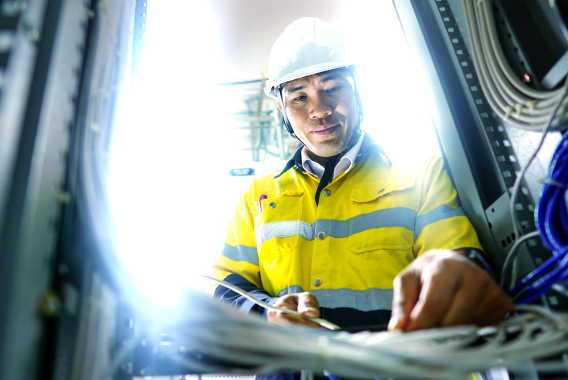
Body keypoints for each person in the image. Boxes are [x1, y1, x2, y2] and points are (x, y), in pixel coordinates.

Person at [211, 17, 512, 333]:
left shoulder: (422, 177)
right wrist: (267, 313)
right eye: (299, 97)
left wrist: (457, 273)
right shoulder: (257, 197)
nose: (320, 110)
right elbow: (226, 286)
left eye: (333, 88)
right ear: (282, 110)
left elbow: (457, 261)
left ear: (359, 93)